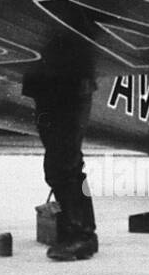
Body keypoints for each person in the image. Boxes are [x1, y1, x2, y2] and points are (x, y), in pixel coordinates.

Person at [23, 61, 99, 261]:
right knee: (59, 164)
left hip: (70, 85)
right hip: (47, 85)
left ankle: (81, 235)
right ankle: (75, 231)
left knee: (65, 161)